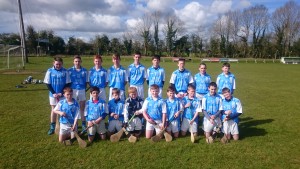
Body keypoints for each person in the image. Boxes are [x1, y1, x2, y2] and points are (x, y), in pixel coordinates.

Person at [44, 57, 70, 135]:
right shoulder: (49, 71)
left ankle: (63, 125)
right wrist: (54, 93)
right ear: (53, 63)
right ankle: (52, 127)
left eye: (59, 64)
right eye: (56, 64)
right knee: (54, 110)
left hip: (62, 95)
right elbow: (47, 83)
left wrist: (61, 93)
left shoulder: (65, 71)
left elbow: (68, 83)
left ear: (62, 64)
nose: (58, 65)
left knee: (63, 109)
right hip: (53, 95)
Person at [68, 55, 88, 131]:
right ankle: (74, 124)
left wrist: (83, 89)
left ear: (81, 62)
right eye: (76, 61)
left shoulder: (84, 70)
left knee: (82, 108)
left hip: (82, 90)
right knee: (73, 108)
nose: (77, 63)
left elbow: (86, 82)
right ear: (73, 62)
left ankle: (83, 124)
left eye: (79, 61)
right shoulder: (69, 70)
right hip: (73, 91)